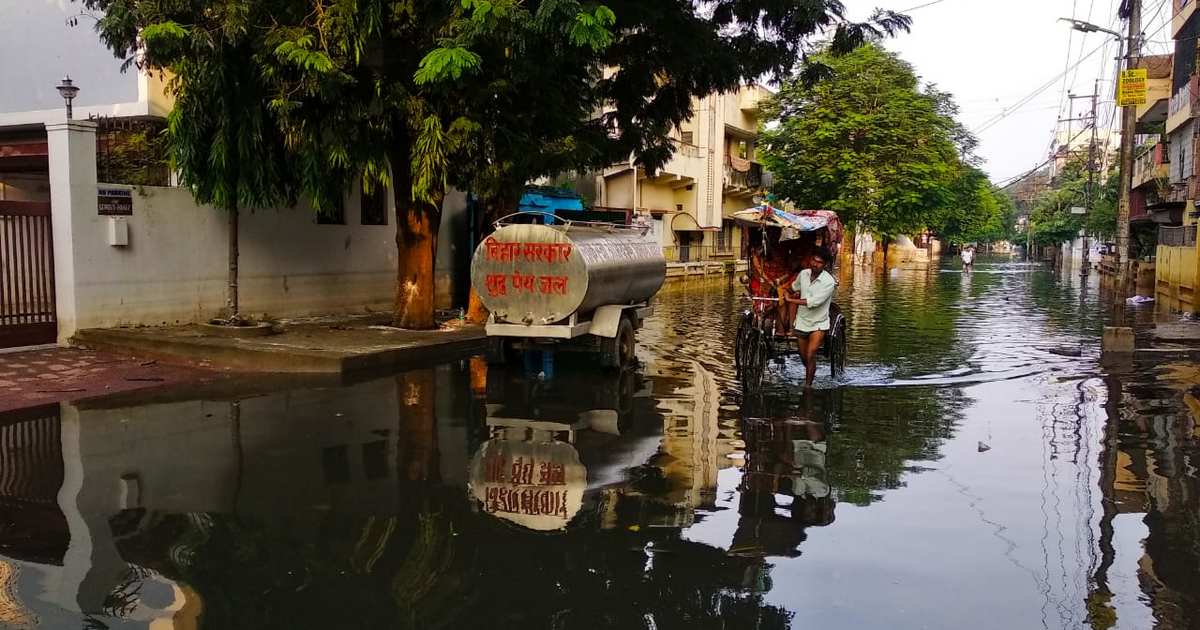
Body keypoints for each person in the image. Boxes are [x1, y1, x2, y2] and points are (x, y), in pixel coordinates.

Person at [786, 248, 838, 388]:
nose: (815, 264)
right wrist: (785, 291)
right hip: (802, 321)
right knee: (804, 357)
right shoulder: (803, 274)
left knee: (810, 354)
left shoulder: (828, 282)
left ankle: (807, 386)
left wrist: (791, 301)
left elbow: (813, 302)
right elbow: (793, 288)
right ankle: (811, 369)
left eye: (819, 262)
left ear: (825, 265)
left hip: (819, 323)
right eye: (814, 260)